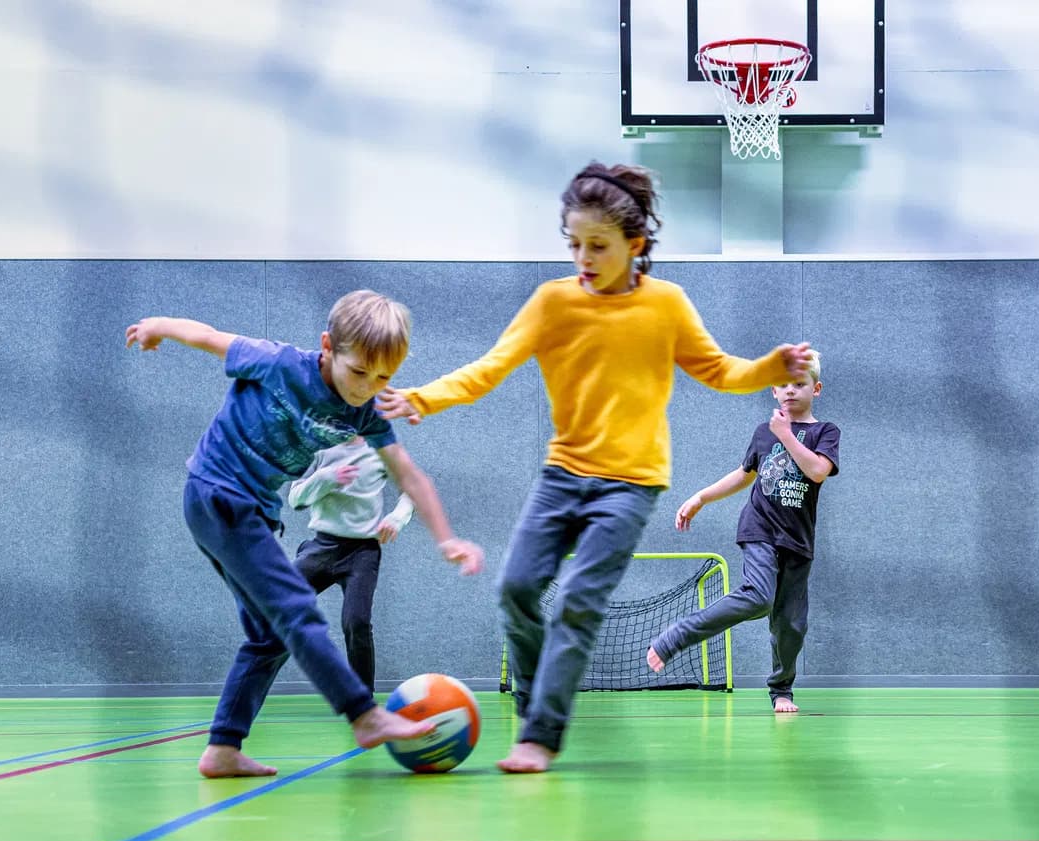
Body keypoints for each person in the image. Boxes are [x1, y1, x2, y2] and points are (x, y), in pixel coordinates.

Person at [378, 161, 813, 772]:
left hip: (632, 484)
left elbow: (720, 371)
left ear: (635, 246)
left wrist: (771, 366)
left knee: (580, 600)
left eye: (598, 245)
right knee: (516, 589)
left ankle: (541, 734)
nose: (583, 256)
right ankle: (534, 700)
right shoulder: (552, 303)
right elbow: (490, 367)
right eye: (574, 243)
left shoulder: (667, 305)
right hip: (563, 475)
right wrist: (420, 398)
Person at [125, 289, 484, 778]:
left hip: (247, 511)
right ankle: (364, 714)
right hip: (218, 494)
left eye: (383, 377)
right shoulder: (277, 363)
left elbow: (408, 474)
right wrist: (157, 325)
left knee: (268, 636)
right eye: (359, 372)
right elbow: (208, 337)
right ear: (328, 348)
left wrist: (446, 538)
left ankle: (223, 749)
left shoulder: (365, 411)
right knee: (297, 608)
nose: (366, 387)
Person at [647, 353, 839, 714]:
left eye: (799, 384)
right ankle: (678, 636)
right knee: (758, 597)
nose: (790, 391)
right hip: (760, 528)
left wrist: (787, 435)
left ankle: (782, 689)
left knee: (791, 626)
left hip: (798, 540)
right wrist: (701, 497)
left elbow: (816, 472)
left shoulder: (824, 432)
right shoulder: (764, 433)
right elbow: (744, 473)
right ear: (772, 390)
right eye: (783, 384)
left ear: (816, 388)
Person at [289, 435, 417, 693]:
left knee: (356, 622)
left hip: (362, 553)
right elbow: (295, 499)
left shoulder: (381, 448)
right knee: (274, 607)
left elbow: (411, 491)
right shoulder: (316, 446)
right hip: (321, 548)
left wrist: (397, 518)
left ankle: (364, 702)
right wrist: (326, 477)